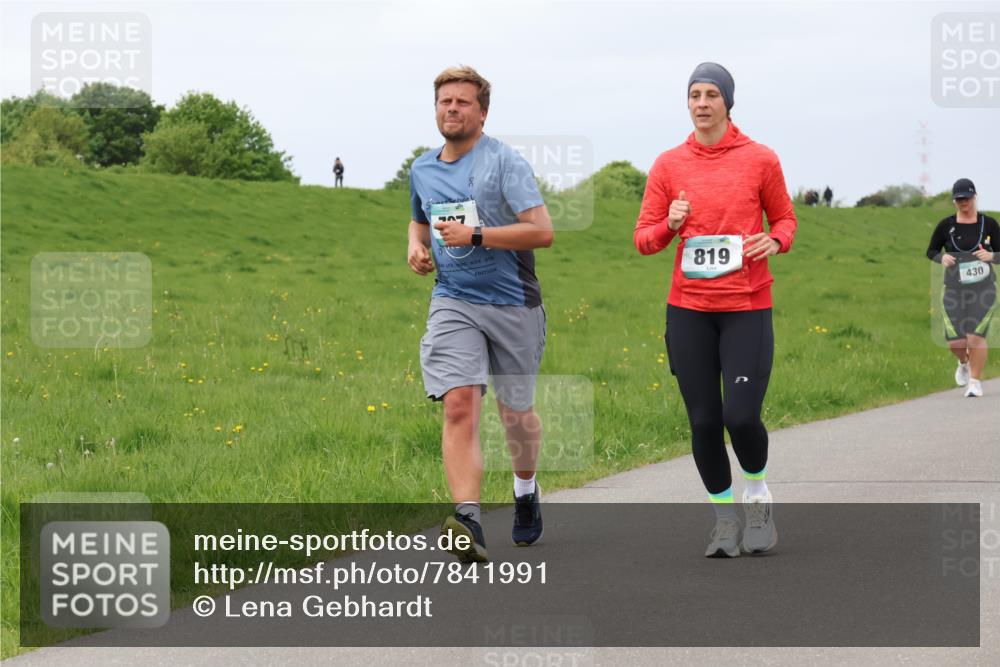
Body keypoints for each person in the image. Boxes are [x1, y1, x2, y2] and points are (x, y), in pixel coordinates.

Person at [633, 62, 797, 558]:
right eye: (694, 94)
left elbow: (786, 218)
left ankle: (758, 495)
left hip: (746, 306)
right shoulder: (668, 165)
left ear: (727, 102)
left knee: (741, 417)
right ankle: (724, 520)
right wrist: (668, 223)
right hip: (689, 309)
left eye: (711, 94)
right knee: (704, 421)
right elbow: (643, 240)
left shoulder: (760, 159)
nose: (701, 103)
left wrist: (774, 240)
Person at [407, 66, 553, 562]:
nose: (452, 108)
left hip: (512, 301)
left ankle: (525, 488)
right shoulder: (422, 168)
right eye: (445, 101)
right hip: (453, 299)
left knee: (515, 415)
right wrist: (415, 246)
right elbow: (419, 218)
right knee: (459, 404)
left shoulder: (504, 163)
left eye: (463, 102)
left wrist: (476, 236)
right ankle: (467, 517)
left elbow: (541, 232)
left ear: (482, 112)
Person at [926, 178, 999, 397]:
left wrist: (992, 256)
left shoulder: (989, 225)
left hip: (984, 291)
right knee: (957, 342)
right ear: (954, 201)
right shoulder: (946, 225)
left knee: (975, 337)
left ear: (974, 197)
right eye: (958, 199)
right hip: (954, 291)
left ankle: (975, 382)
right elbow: (931, 251)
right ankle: (963, 362)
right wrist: (942, 258)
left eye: (966, 198)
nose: (963, 202)